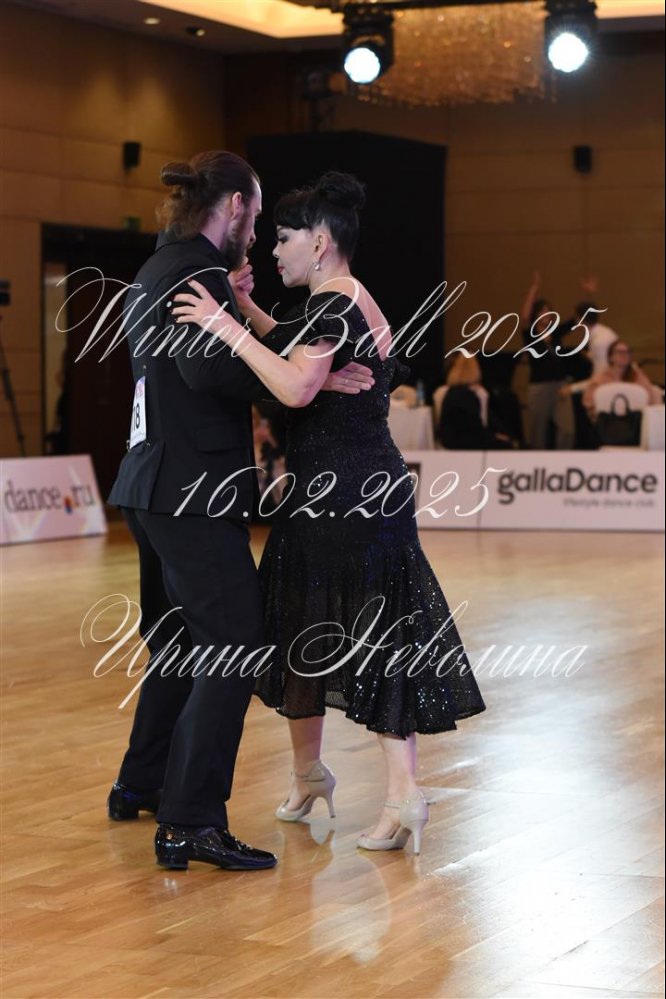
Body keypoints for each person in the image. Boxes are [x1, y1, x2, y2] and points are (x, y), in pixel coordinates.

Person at [172, 172, 486, 855]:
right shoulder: (342, 299)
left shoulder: (334, 306)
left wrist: (223, 323)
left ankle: (403, 795)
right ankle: (311, 774)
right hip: (339, 490)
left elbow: (292, 384)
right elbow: (293, 347)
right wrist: (249, 312)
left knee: (367, 633)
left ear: (318, 242)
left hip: (346, 496)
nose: (272, 250)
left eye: (283, 238)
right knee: (303, 625)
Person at [106, 151, 373, 872]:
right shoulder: (199, 274)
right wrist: (306, 378)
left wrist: (253, 326)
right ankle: (190, 819)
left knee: (180, 644)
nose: (255, 237)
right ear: (232, 207)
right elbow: (208, 370)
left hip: (150, 485)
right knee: (235, 645)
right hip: (191, 491)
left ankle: (142, 783)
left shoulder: (159, 266)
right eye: (254, 219)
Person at [520, 272, 574, 449]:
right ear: (536, 314)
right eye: (542, 310)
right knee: (539, 431)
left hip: (560, 385)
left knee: (567, 430)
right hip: (539, 386)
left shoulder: (555, 332)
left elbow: (576, 320)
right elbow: (524, 317)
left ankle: (563, 461)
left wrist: (588, 295)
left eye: (549, 310)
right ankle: (537, 462)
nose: (546, 314)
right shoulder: (530, 334)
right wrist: (534, 288)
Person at [436, 354, 513, 449]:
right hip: (467, 443)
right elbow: (476, 430)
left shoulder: (445, 393)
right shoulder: (474, 395)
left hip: (449, 442)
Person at [582, 340, 663, 417]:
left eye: (627, 352)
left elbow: (651, 398)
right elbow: (588, 403)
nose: (624, 355)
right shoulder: (600, 378)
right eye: (619, 352)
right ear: (610, 357)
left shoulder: (637, 376)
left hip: (635, 419)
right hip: (608, 420)